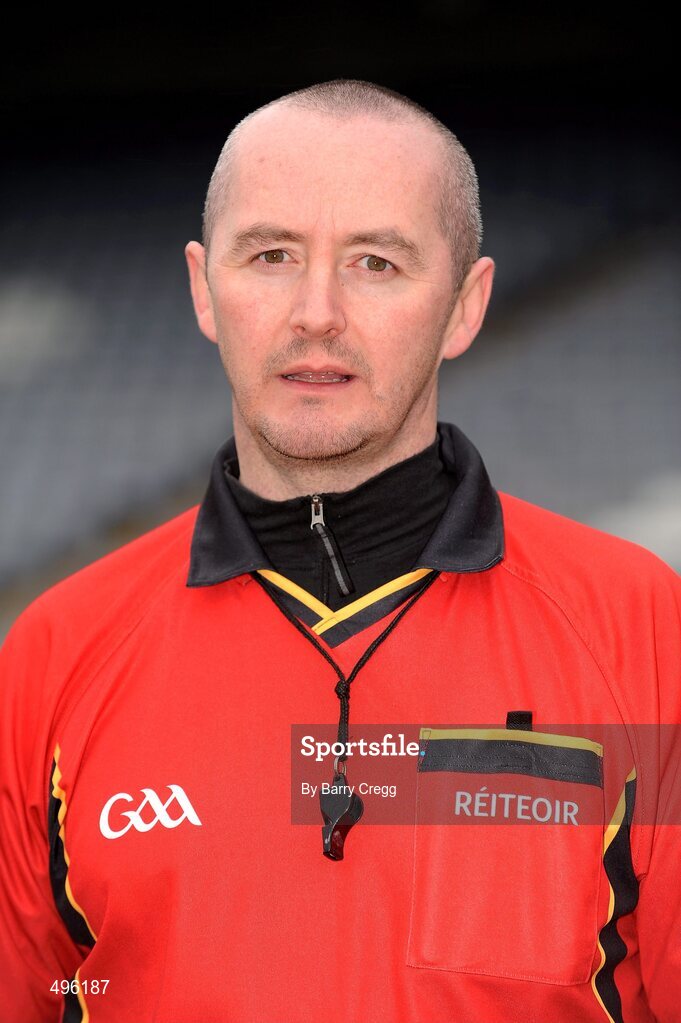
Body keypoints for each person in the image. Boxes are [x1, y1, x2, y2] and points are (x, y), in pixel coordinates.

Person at [0, 79, 679, 1023]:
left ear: (464, 306)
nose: (315, 311)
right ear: (203, 288)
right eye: (270, 254)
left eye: (375, 263)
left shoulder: (641, 628)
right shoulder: (54, 653)